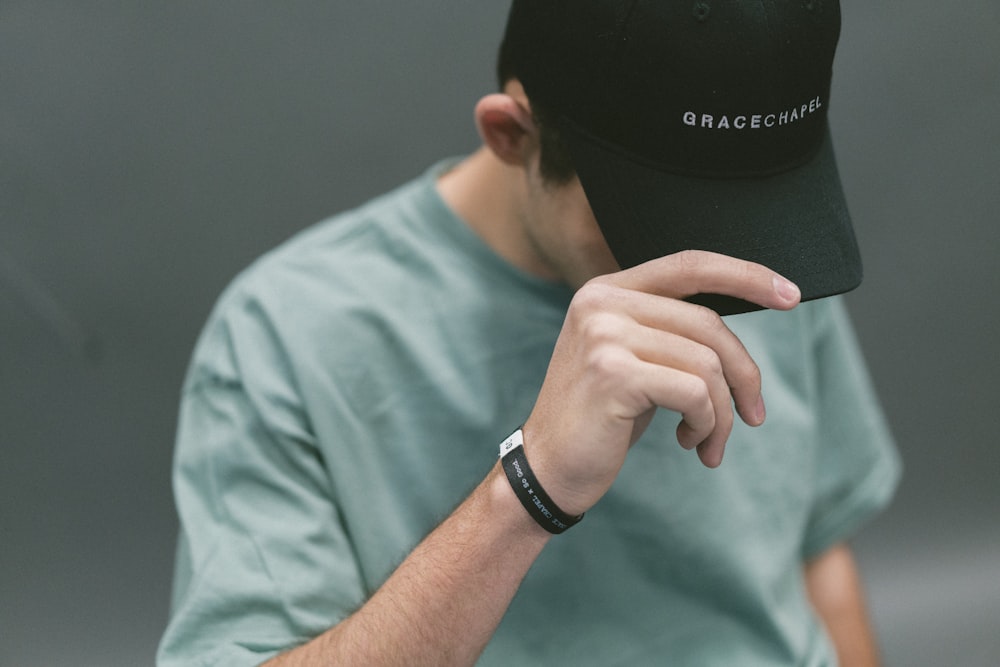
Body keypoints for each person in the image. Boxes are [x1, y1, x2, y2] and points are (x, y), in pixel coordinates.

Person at [159, 1, 901, 665]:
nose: (714, 266)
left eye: (747, 216)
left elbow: (817, 555)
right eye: (660, 222)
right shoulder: (289, 332)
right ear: (511, 134)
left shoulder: (761, 263)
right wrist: (530, 487)